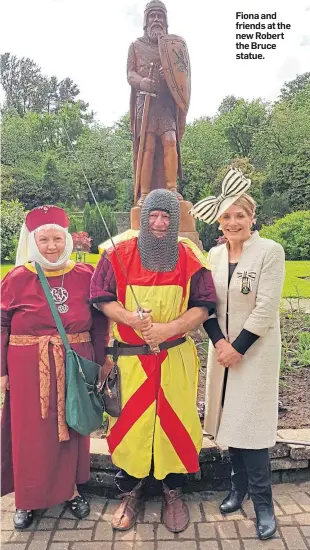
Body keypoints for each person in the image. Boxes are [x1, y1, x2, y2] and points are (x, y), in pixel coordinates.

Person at [90, 189, 216, 533]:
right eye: (154, 216)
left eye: (166, 216)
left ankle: (172, 491)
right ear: (143, 218)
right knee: (130, 425)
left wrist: (169, 328)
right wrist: (130, 318)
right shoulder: (116, 252)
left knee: (176, 423)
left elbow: (205, 304)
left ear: (175, 219)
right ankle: (129, 492)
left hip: (173, 356)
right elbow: (100, 297)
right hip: (131, 361)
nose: (160, 223)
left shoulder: (189, 256)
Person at [190, 168, 285, 540]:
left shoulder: (270, 252)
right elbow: (204, 303)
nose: (233, 222)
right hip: (223, 351)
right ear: (219, 220)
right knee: (230, 420)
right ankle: (237, 489)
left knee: (252, 425)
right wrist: (219, 344)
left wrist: (238, 348)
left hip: (254, 352)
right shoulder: (212, 254)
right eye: (227, 216)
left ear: (252, 218)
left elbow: (265, 307)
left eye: (240, 215)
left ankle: (263, 504)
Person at [1, 205, 108, 530]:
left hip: (76, 364)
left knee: (72, 427)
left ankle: (70, 490)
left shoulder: (85, 276)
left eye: (57, 238)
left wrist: (103, 360)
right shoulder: (17, 279)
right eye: (44, 239)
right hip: (28, 369)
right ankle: (28, 499)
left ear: (67, 240)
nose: (51, 246)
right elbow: (2, 324)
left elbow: (101, 321)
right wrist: (2, 371)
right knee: (29, 434)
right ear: (34, 242)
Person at [128, 0, 187, 204]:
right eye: (152, 16)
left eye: (160, 16)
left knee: (170, 142)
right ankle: (145, 194)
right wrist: (144, 81)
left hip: (166, 104)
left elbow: (181, 75)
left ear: (165, 20)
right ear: (146, 21)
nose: (156, 20)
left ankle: (171, 188)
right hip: (146, 104)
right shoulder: (136, 46)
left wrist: (168, 76)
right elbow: (130, 74)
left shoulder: (173, 47)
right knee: (147, 146)